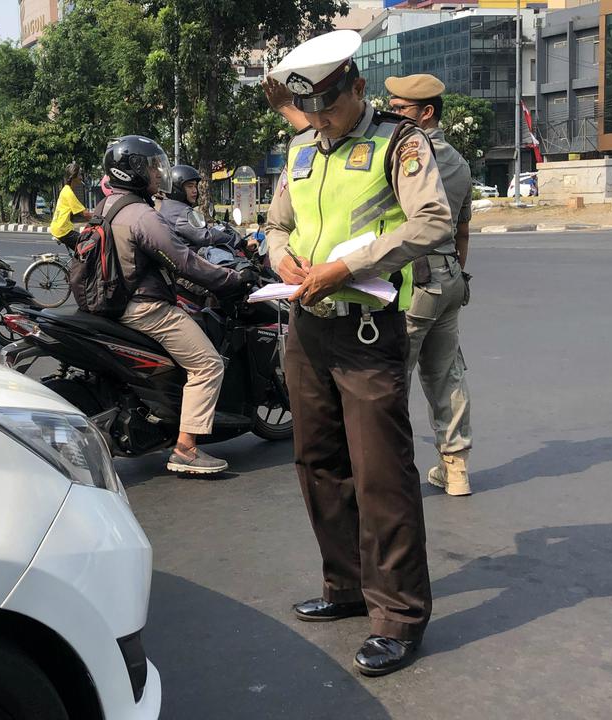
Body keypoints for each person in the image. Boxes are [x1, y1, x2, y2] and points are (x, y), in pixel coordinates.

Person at [261, 30, 453, 677]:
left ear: (358, 88)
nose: (320, 121)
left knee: (382, 476)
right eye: (310, 111)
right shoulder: (299, 150)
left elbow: (431, 223)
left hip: (368, 329)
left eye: (330, 108)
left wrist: (346, 265)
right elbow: (277, 223)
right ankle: (344, 586)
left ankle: (397, 616)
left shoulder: (401, 143)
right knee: (317, 460)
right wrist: (280, 257)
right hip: (306, 325)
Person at [101, 135, 248, 474]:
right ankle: (186, 448)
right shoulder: (141, 215)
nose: (157, 174)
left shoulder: (108, 206)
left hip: (114, 304)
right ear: (132, 171)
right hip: (146, 309)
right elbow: (183, 261)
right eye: (151, 168)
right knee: (208, 365)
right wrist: (229, 280)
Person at [384, 73, 475, 497]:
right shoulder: (459, 160)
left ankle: (389, 473)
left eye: (399, 109)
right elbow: (462, 231)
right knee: (447, 375)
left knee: (389, 380)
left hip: (414, 280)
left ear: (426, 113)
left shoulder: (407, 157)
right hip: (450, 277)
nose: (391, 114)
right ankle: (455, 469)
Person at [159, 164, 246, 250]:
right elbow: (206, 236)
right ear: (176, 189)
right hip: (191, 260)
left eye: (195, 186)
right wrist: (242, 242)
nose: (195, 191)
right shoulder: (181, 212)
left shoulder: (167, 206)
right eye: (190, 186)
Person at [49, 162, 91, 251]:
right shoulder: (68, 193)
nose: (81, 177)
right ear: (73, 176)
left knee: (80, 252)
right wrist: (100, 219)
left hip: (60, 227)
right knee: (87, 246)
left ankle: (78, 263)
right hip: (63, 230)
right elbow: (85, 214)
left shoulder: (66, 190)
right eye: (79, 175)